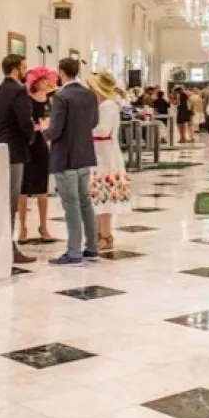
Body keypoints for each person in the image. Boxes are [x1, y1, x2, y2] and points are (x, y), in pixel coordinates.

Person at [47, 57, 99, 266]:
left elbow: (56, 130)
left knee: (72, 204)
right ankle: (92, 247)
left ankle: (74, 251)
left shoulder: (61, 96)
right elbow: (93, 122)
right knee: (85, 201)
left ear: (61, 73)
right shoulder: (89, 94)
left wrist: (43, 132)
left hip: (65, 155)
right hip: (84, 154)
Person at [0, 54, 36, 265]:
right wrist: (32, 137)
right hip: (14, 149)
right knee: (11, 200)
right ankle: (8, 248)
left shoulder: (0, 89)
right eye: (24, 67)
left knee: (2, 199)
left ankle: (2, 246)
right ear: (16, 69)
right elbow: (24, 121)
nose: (26, 71)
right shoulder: (18, 91)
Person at [87, 71, 131, 253]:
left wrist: (83, 128)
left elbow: (103, 130)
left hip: (105, 155)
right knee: (98, 195)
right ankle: (99, 233)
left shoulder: (108, 106)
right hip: (99, 153)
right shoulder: (103, 105)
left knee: (104, 194)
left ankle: (105, 234)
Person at [18, 67, 56, 244]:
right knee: (23, 189)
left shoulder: (50, 100)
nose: (47, 82)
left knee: (42, 188)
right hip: (27, 144)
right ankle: (23, 227)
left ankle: (44, 225)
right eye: (43, 80)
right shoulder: (26, 100)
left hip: (41, 144)